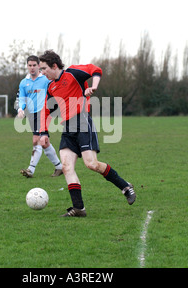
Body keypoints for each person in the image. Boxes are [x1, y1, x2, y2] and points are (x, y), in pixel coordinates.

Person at [38, 50, 136, 217]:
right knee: (67, 167)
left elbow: (95, 70)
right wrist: (43, 132)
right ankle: (79, 208)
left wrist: (94, 86)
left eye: (44, 68)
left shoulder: (72, 74)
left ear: (54, 66)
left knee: (92, 164)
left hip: (82, 121)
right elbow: (46, 110)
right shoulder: (50, 86)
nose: (42, 72)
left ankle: (125, 186)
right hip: (68, 128)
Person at [17, 55, 63, 178]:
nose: (32, 68)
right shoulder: (24, 82)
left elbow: (56, 88)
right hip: (31, 115)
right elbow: (22, 97)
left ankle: (30, 170)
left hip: (44, 113)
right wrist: (21, 108)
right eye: (30, 65)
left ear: (39, 66)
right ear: (27, 66)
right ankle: (59, 167)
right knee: (44, 142)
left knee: (36, 140)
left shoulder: (45, 80)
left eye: (34, 65)